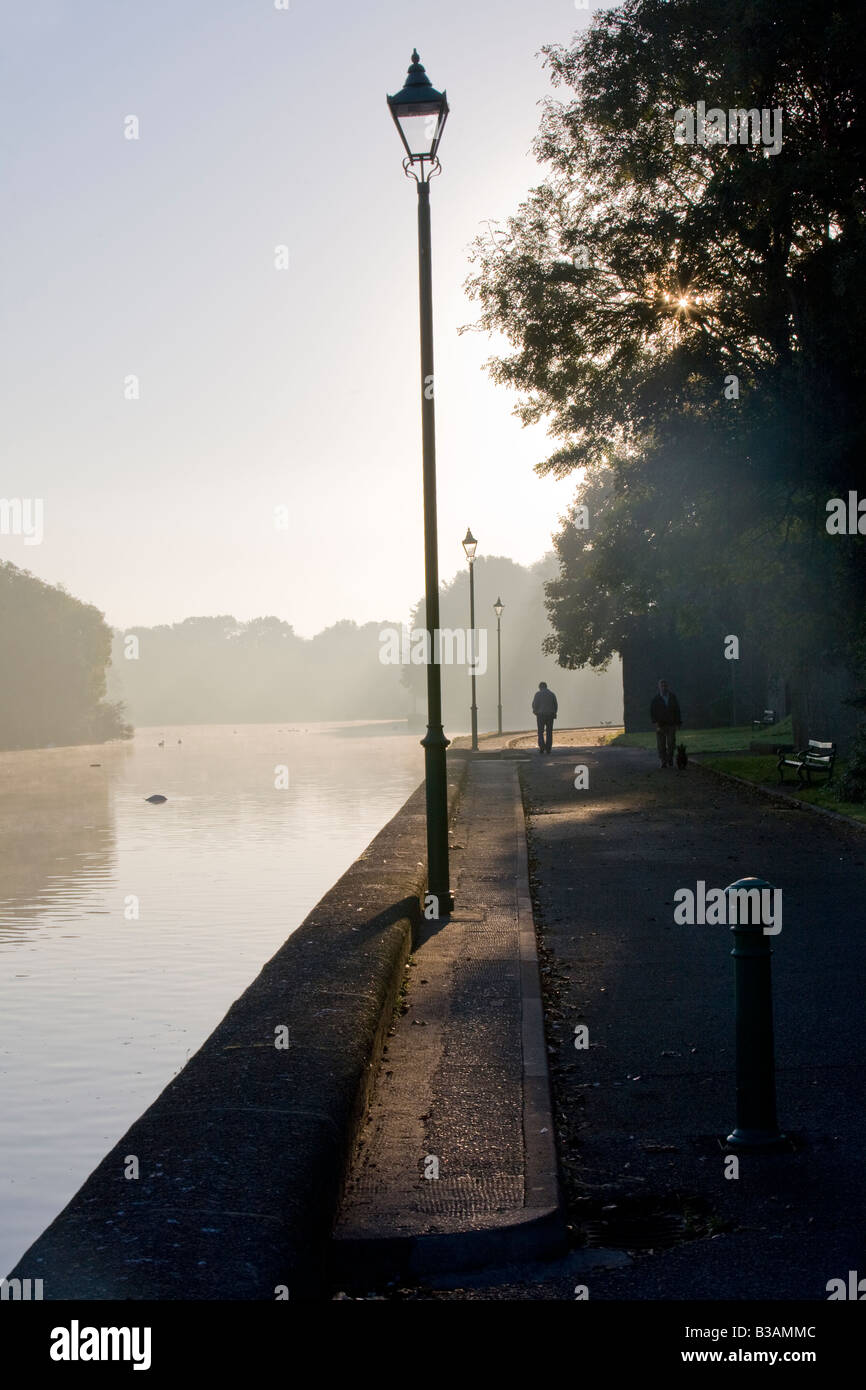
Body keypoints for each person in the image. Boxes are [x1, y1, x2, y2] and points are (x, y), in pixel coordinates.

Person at [650, 679, 682, 768]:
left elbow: (677, 710)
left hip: (671, 724)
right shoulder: (656, 699)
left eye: (665, 686)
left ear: (667, 687)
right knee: (661, 745)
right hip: (660, 725)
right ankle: (663, 761)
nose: (664, 688)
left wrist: (678, 723)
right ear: (659, 687)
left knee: (671, 743)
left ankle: (670, 758)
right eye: (662, 686)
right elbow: (652, 712)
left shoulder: (672, 697)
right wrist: (655, 723)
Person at [532, 681, 558, 754]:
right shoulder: (552, 694)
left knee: (540, 732)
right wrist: (554, 712)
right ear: (546, 686)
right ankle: (548, 748)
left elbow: (534, 704)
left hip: (540, 715)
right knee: (549, 732)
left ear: (540, 687)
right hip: (550, 715)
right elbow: (555, 705)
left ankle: (542, 747)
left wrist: (535, 711)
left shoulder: (538, 694)